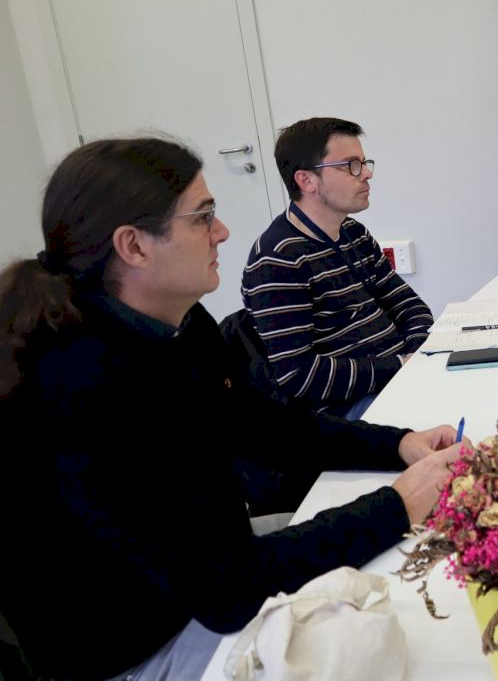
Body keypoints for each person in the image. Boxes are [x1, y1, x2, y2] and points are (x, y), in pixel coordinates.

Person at [0, 138, 464, 681]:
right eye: (202, 218)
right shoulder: (80, 386)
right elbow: (229, 591)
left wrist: (396, 443)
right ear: (134, 246)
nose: (221, 232)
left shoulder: (176, 321)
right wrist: (396, 506)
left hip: (195, 583)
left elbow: (253, 422)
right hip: (132, 648)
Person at [242, 117, 433, 420]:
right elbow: (300, 376)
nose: (367, 173)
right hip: (347, 412)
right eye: (351, 165)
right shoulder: (277, 260)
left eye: (364, 163)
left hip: (397, 379)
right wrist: (400, 366)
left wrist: (415, 357)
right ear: (306, 181)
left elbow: (410, 306)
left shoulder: (353, 233)